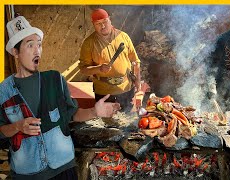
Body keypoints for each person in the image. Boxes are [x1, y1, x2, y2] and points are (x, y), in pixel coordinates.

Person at [0, 15, 121, 180]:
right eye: (30, 45)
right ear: (15, 51)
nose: (37, 50)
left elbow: (73, 114)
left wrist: (94, 111)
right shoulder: (4, 90)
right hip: (27, 175)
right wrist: (17, 127)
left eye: (39, 45)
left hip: (64, 170)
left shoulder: (54, 79)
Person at [79, 8, 141, 111]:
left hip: (125, 88)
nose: (102, 26)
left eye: (104, 22)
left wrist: (137, 80)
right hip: (103, 91)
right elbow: (83, 69)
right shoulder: (89, 43)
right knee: (107, 123)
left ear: (110, 20)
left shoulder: (123, 36)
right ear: (93, 24)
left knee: (127, 120)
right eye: (98, 24)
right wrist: (98, 68)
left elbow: (135, 61)